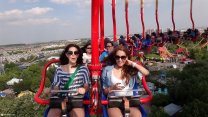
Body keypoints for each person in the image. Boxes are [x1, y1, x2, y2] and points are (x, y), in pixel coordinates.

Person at [101, 45, 149, 117]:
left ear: (127, 57)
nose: (120, 60)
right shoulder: (107, 70)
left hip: (130, 101)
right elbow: (104, 91)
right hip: (114, 102)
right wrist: (112, 88)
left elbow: (146, 73)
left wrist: (133, 64)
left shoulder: (130, 70)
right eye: (117, 57)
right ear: (114, 57)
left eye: (123, 57)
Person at [48, 44, 90, 117]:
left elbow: (86, 85)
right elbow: (56, 85)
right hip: (61, 99)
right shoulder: (59, 69)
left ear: (78, 55)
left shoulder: (83, 69)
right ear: (66, 55)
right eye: (70, 53)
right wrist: (53, 90)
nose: (73, 55)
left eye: (75, 53)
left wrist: (84, 89)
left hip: (75, 99)